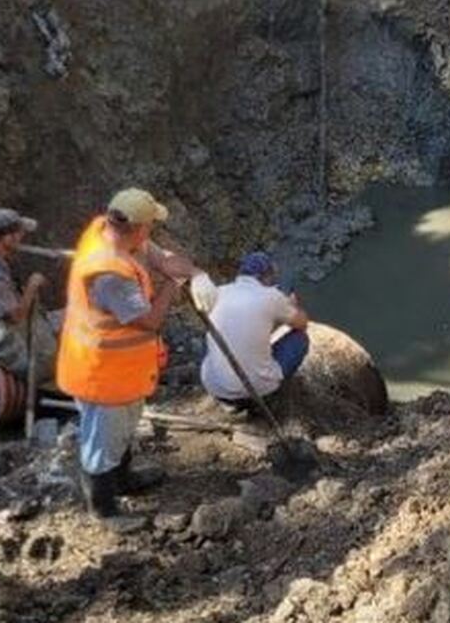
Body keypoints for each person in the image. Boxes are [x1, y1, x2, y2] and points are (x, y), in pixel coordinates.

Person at [56, 188, 218, 530]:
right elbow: (150, 320)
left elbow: (165, 259)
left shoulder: (116, 231)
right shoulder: (109, 274)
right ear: (140, 227)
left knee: (122, 429)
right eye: (151, 227)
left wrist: (196, 273)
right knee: (103, 439)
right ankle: (104, 510)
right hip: (100, 372)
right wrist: (173, 286)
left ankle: (124, 478)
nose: (153, 234)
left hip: (120, 370)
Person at [200, 251, 310, 413]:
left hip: (216, 387)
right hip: (257, 389)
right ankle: (268, 397)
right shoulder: (272, 296)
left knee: (212, 336)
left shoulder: (217, 292)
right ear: (267, 276)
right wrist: (292, 305)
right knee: (300, 339)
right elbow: (302, 324)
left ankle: (228, 401)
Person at [0, 208, 54, 380]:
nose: (22, 238)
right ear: (7, 238)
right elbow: (16, 317)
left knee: (45, 330)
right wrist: (31, 286)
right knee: (47, 365)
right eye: (19, 234)